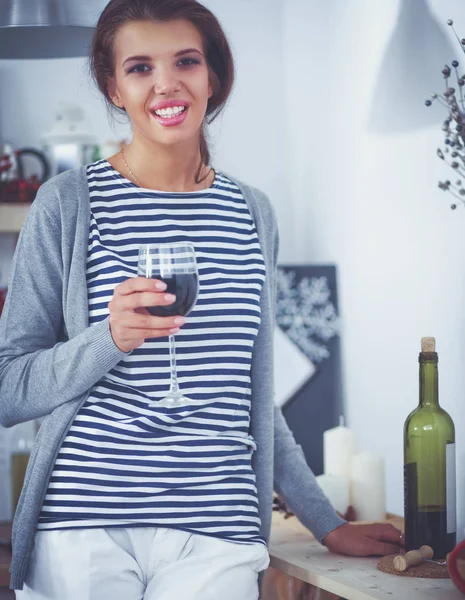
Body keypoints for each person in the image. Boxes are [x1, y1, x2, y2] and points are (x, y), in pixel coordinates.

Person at [0, 0, 404, 598]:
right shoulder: (66, 204)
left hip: (218, 528)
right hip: (85, 524)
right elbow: (10, 388)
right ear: (113, 86)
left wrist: (324, 521)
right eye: (139, 67)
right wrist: (106, 339)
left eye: (186, 61)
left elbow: (252, 397)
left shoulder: (252, 213)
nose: (167, 84)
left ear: (212, 76)